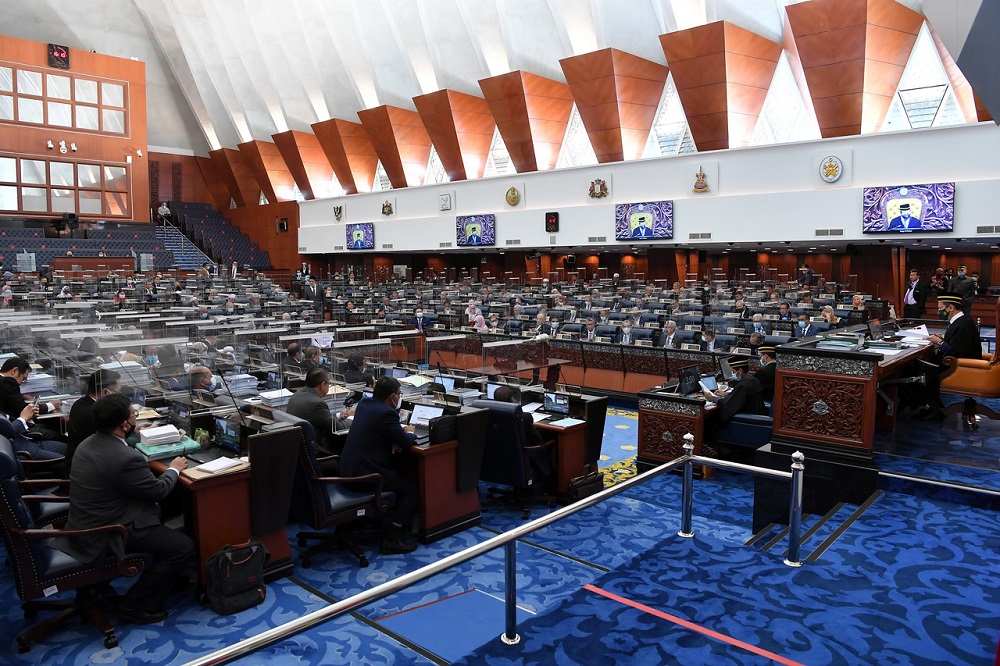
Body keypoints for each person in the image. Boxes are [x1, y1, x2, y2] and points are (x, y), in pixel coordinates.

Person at [54, 394, 194, 625]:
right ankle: (135, 605)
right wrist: (174, 469)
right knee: (182, 546)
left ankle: (163, 576)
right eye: (133, 416)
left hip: (84, 522)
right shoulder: (126, 458)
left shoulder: (88, 443)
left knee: (166, 510)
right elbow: (157, 490)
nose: (135, 419)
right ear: (123, 424)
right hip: (110, 531)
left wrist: (135, 434)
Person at [339, 377, 419, 555]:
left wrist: (394, 437)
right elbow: (405, 442)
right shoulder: (386, 413)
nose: (399, 397)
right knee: (411, 489)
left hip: (347, 468)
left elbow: (380, 431)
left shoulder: (365, 404)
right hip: (364, 475)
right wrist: (410, 433)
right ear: (392, 397)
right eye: (399, 394)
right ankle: (392, 538)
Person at [918, 292, 982, 420]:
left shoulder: (961, 325)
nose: (939, 311)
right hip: (960, 362)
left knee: (921, 367)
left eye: (941, 308)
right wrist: (942, 338)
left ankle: (934, 409)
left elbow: (956, 352)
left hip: (961, 366)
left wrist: (939, 342)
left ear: (950, 308)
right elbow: (958, 343)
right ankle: (932, 405)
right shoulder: (962, 321)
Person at [286, 369, 352, 471]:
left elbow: (319, 418)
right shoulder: (317, 403)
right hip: (319, 455)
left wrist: (339, 416)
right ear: (322, 384)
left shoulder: (297, 395)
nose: (329, 387)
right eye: (329, 384)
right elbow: (338, 428)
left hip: (298, 455)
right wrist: (355, 419)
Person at [493, 386, 554, 483]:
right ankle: (551, 483)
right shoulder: (523, 417)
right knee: (553, 442)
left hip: (499, 460)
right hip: (521, 462)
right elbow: (537, 440)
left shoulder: (491, 414)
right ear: (512, 399)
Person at [67, 369, 121, 474]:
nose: (118, 396)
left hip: (79, 463)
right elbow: (113, 443)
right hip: (87, 472)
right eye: (117, 392)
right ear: (105, 392)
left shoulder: (80, 403)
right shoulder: (95, 415)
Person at [0, 356, 62, 431]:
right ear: (14, 371)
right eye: (23, 379)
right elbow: (21, 408)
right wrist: (50, 405)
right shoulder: (7, 382)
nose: (20, 384)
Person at [703, 357, 766, 425]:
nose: (732, 374)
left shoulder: (743, 385)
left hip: (746, 421)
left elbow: (727, 405)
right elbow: (741, 398)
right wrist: (727, 394)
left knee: (710, 420)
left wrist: (711, 397)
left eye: (733, 371)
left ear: (740, 370)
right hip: (755, 414)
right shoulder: (753, 380)